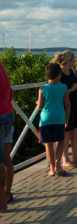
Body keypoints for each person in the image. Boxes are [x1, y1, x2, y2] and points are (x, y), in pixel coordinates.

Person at [54, 51, 77, 169]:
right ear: (69, 60)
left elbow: (76, 83)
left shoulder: (72, 71)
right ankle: (65, 160)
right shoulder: (59, 73)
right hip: (64, 106)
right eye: (74, 59)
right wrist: (72, 89)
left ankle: (76, 157)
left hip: (75, 104)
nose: (75, 61)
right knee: (66, 132)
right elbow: (58, 90)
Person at [37, 64, 70, 178]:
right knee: (60, 141)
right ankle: (58, 165)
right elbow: (67, 105)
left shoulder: (42, 88)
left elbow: (40, 106)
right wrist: (67, 119)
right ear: (59, 75)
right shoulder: (64, 87)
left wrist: (37, 104)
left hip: (46, 118)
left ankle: (52, 169)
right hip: (59, 116)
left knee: (48, 144)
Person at [0, 61, 14, 211]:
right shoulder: (1, 66)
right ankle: (7, 193)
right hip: (8, 113)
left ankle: (1, 203)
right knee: (5, 158)